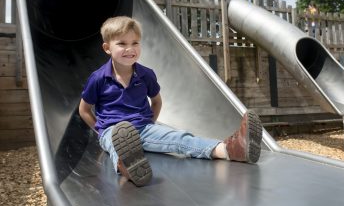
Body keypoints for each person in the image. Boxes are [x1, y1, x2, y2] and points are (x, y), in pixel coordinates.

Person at [79, 16, 263, 186]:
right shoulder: (98, 78)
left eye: (135, 42)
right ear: (107, 48)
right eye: (122, 43)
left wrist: (150, 123)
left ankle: (231, 150)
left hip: (143, 127)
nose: (130, 48)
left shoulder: (145, 75)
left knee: (179, 138)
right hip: (113, 129)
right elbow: (84, 109)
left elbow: (156, 101)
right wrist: (101, 130)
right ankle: (127, 166)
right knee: (114, 144)